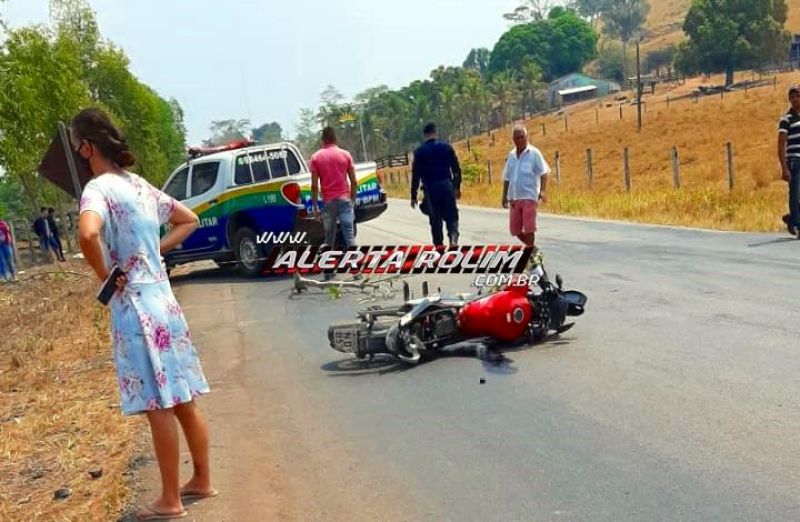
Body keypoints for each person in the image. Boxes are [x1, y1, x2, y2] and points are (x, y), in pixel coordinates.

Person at [71, 108, 216, 520]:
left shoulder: (97, 190)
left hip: (135, 306)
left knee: (158, 405)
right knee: (184, 397)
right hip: (165, 302)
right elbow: (189, 219)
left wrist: (107, 274)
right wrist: (154, 253)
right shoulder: (140, 186)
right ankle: (202, 480)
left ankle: (170, 500)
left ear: (86, 147)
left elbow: (87, 233)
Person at [309, 126, 358, 279]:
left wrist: (316, 207)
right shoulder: (345, 154)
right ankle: (356, 271)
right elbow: (354, 182)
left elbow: (314, 186)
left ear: (323, 139)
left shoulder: (316, 157)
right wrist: (352, 200)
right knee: (349, 236)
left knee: (328, 238)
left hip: (328, 203)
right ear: (335, 138)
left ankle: (329, 270)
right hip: (344, 200)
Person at [410, 123, 462, 247]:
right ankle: (453, 237)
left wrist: (413, 195)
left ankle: (439, 247)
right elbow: (456, 169)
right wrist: (456, 187)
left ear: (424, 135)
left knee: (435, 221)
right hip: (447, 186)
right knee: (451, 216)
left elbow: (415, 175)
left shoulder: (419, 152)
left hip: (431, 190)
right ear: (435, 132)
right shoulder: (446, 147)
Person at [501, 125, 550, 250]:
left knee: (529, 228)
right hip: (514, 198)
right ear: (513, 139)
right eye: (516, 138)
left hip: (529, 196)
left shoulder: (534, 153)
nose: (519, 140)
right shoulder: (511, 156)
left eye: (522, 137)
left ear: (527, 137)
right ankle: (533, 249)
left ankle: (531, 254)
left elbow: (543, 173)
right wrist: (504, 196)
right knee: (515, 230)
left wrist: (543, 191)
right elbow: (507, 177)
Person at [779, 83, 800, 238]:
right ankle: (797, 224)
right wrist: (784, 167)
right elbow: (781, 143)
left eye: (797, 96)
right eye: (792, 97)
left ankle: (792, 218)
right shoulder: (786, 119)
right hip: (794, 160)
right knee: (795, 193)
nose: (795, 99)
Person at [0, 218, 17, 282]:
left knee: (9, 260)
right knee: (1, 261)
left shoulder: (3, 223)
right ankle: (3, 277)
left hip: (6, 244)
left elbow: (6, 229)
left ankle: (13, 275)